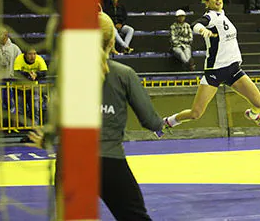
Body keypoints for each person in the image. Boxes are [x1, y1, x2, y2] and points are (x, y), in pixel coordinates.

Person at [29, 12, 164, 220]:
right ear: (112, 41)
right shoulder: (124, 74)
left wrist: (46, 139)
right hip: (109, 161)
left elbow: (56, 120)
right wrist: (165, 122)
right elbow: (151, 121)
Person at [159, 0, 260, 132]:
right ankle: (167, 122)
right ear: (206, 2)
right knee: (195, 113)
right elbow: (195, 24)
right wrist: (202, 30)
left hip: (234, 70)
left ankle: (252, 115)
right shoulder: (210, 17)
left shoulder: (223, 15)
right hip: (215, 71)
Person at [14, 47, 48, 126]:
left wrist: (37, 74)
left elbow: (45, 71)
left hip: (33, 88)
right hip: (19, 88)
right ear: (25, 55)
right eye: (30, 54)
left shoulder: (39, 59)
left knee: (35, 108)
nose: (32, 56)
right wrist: (28, 75)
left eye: (34, 54)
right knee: (20, 109)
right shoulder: (19, 59)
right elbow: (16, 72)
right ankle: (22, 127)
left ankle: (35, 126)